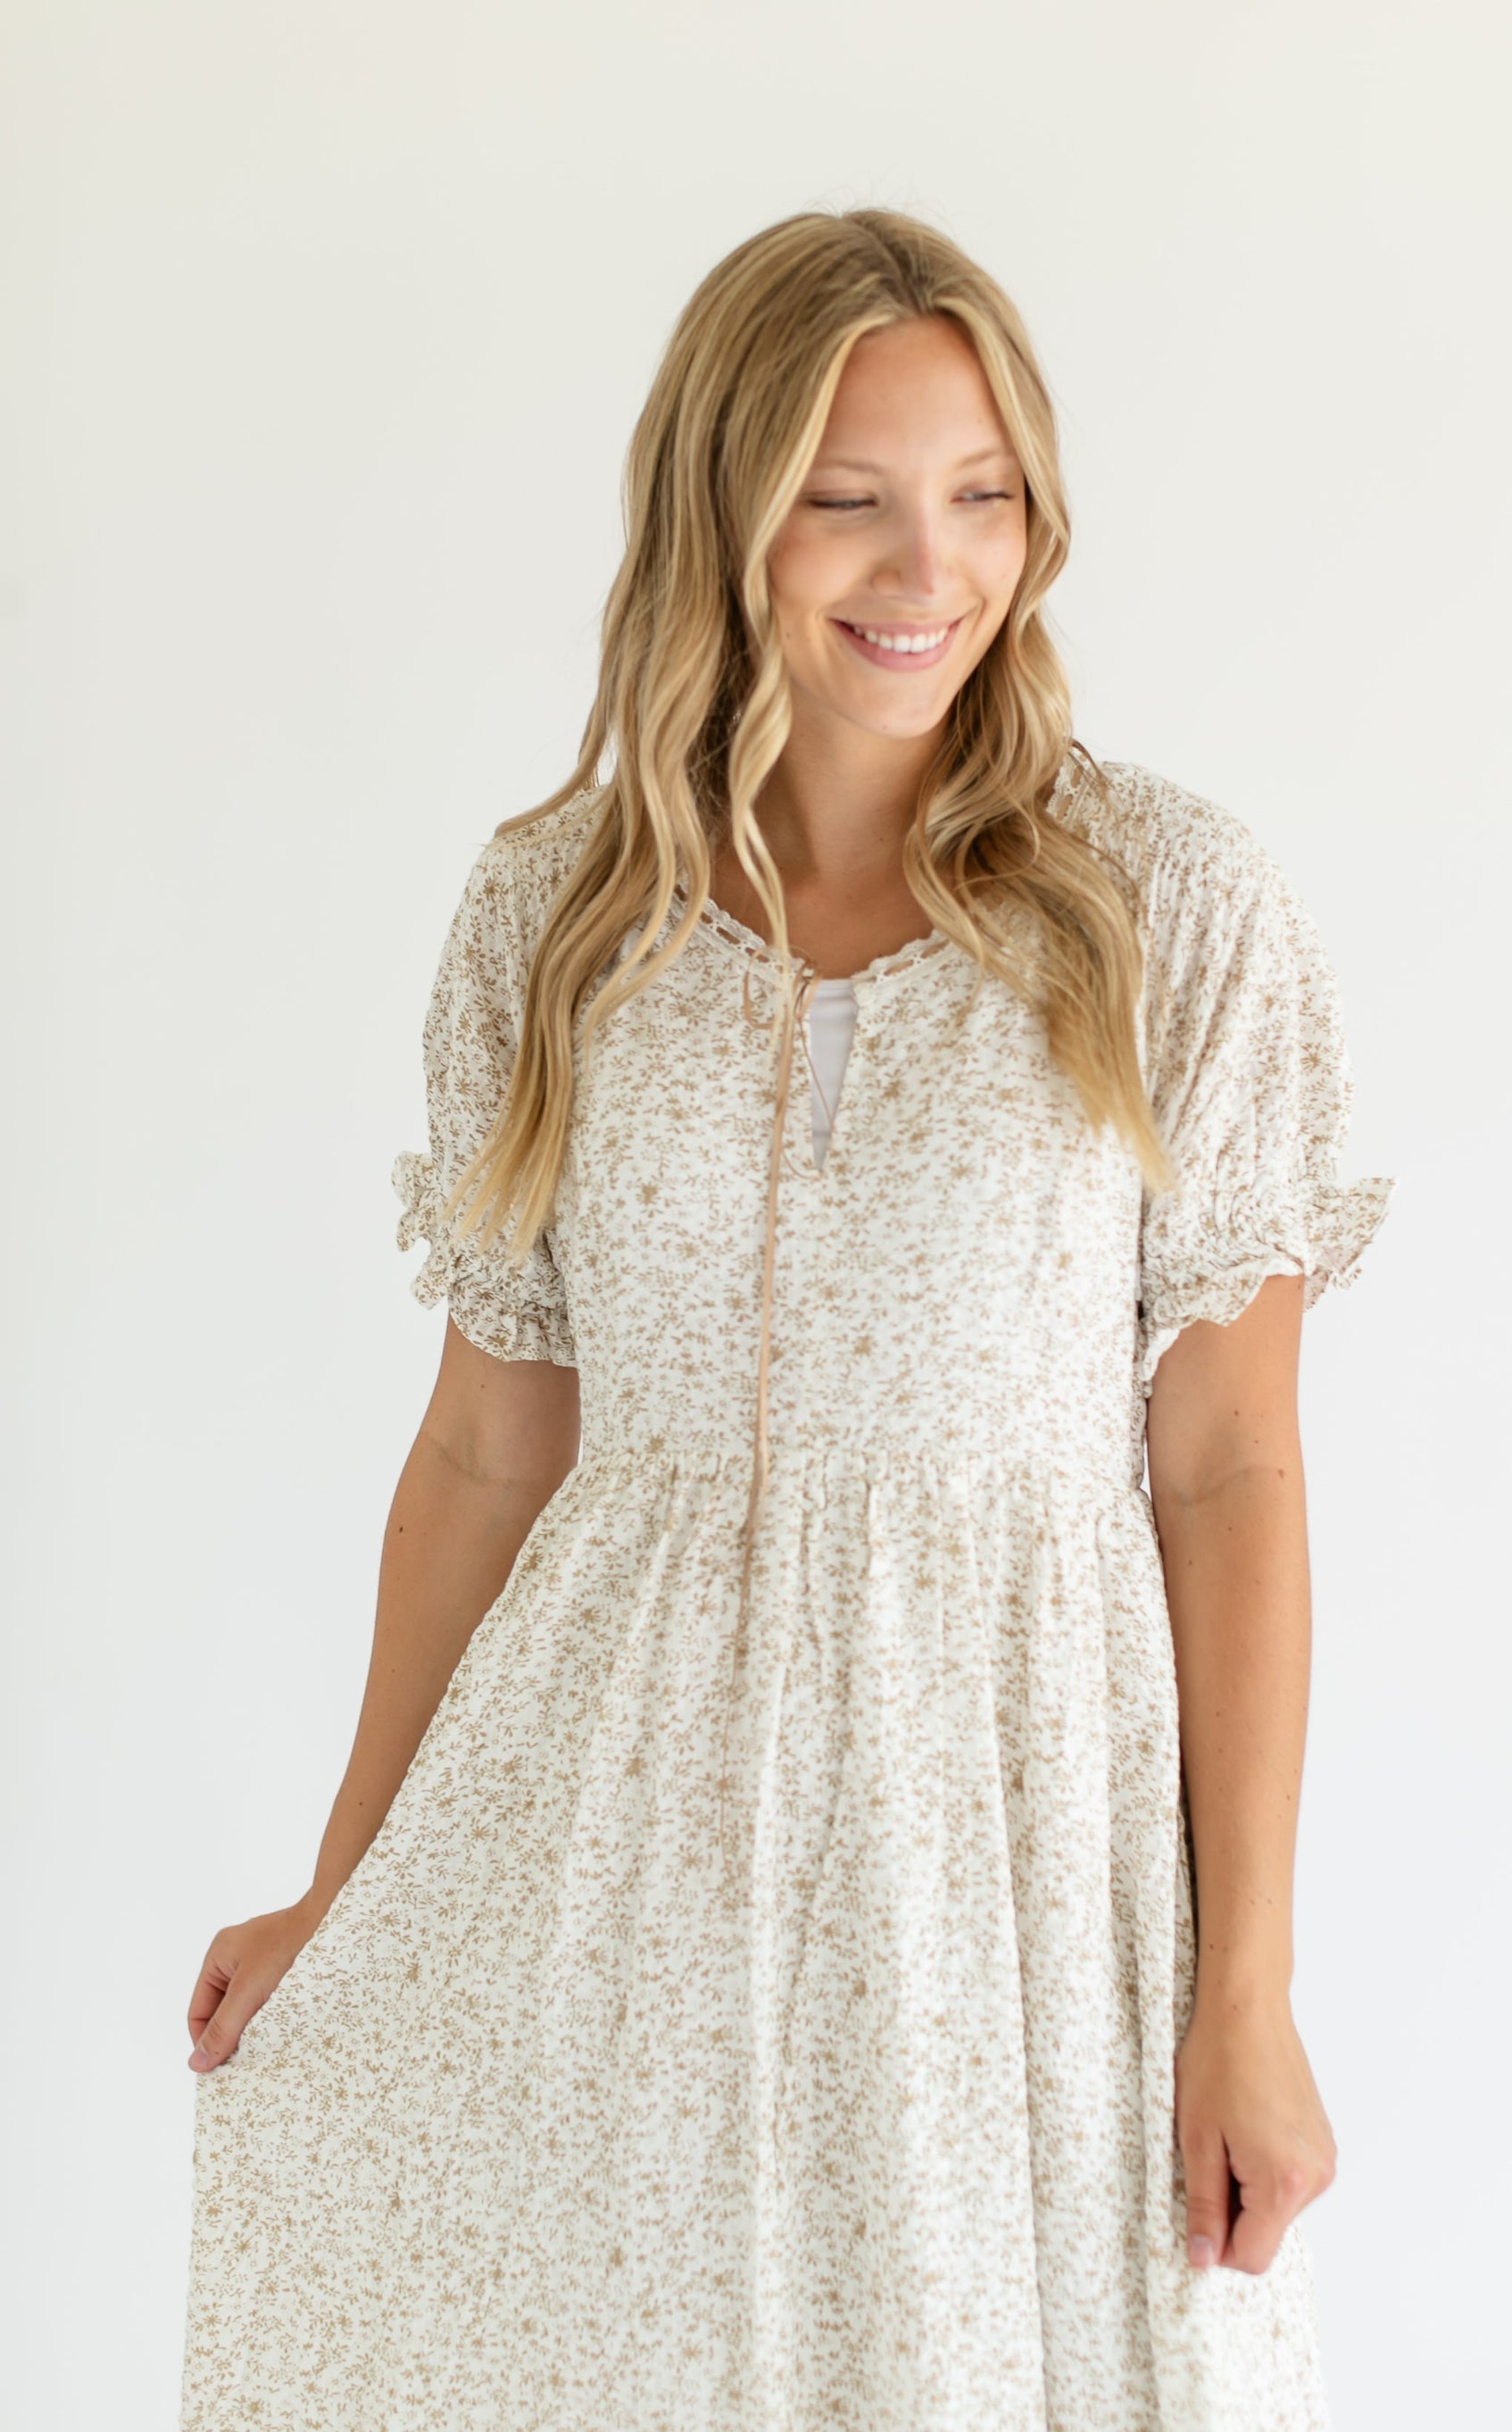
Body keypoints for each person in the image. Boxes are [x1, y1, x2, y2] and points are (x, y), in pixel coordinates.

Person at [179, 206, 1392, 2432]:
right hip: (611, 1826)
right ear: (719, 514)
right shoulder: (554, 921)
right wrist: (345, 1888)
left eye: (980, 495)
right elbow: (486, 1448)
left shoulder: (1169, 914)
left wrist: (1251, 1987)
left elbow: (1227, 1465)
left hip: (1008, 1856)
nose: (921, 565)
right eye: (843, 497)